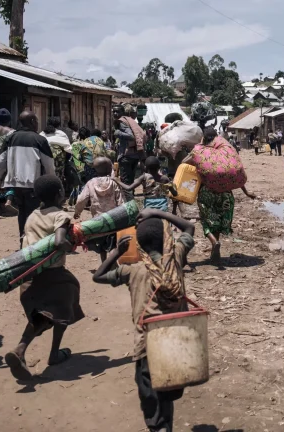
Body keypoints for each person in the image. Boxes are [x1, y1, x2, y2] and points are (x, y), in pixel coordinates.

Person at [92, 208, 195, 432]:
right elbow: (189, 227)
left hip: (147, 347)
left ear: (138, 244)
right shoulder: (176, 257)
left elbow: (98, 276)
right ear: (167, 238)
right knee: (167, 396)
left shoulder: (133, 271)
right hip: (177, 344)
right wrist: (158, 212)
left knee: (152, 403)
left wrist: (116, 253)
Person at [4, 175, 84, 380]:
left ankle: (21, 350)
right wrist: (70, 245)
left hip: (29, 276)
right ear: (59, 194)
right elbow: (58, 241)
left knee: (42, 316)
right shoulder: (59, 215)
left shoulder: (32, 215)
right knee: (64, 306)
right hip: (53, 276)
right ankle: (50, 353)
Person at [184, 128, 257, 262]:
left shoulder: (199, 152)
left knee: (207, 220)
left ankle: (213, 242)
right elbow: (234, 175)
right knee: (217, 221)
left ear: (203, 139)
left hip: (207, 192)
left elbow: (183, 163)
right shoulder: (226, 152)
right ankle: (214, 250)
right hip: (225, 194)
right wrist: (247, 193)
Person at [0, 111, 56, 242]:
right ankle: (32, 242)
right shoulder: (40, 140)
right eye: (37, 121)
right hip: (33, 185)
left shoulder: (10, 139)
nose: (38, 124)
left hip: (16, 185)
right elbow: (49, 165)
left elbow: (0, 163)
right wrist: (52, 183)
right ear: (33, 122)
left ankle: (23, 239)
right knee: (34, 214)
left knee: (22, 212)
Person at [74, 157, 124, 262]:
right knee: (112, 244)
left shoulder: (91, 183)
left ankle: (104, 264)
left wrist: (77, 212)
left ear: (95, 169)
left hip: (98, 220)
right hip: (114, 219)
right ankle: (112, 264)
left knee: (101, 246)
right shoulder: (114, 182)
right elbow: (120, 200)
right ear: (110, 168)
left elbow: (81, 199)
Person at [115, 105, 147, 200]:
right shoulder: (131, 121)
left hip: (126, 156)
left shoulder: (122, 122)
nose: (115, 114)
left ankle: (128, 204)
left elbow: (131, 136)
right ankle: (131, 200)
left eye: (117, 112)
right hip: (134, 155)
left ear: (123, 112)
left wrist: (118, 133)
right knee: (130, 180)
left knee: (125, 181)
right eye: (113, 112)